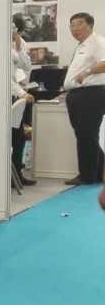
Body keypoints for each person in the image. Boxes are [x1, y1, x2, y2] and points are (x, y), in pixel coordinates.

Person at [60, 12, 105, 186]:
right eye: (72, 25)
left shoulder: (98, 42)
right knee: (84, 135)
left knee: (87, 135)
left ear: (90, 25)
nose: (75, 28)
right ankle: (97, 172)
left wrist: (86, 72)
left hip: (91, 94)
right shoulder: (81, 46)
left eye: (79, 24)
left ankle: (87, 176)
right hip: (77, 95)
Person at [11, 19, 36, 187]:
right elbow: (4, 76)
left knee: (19, 138)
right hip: (11, 94)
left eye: (14, 28)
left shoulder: (17, 43)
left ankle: (17, 174)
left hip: (17, 95)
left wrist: (19, 46)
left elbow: (26, 65)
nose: (13, 31)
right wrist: (22, 92)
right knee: (13, 137)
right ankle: (11, 176)